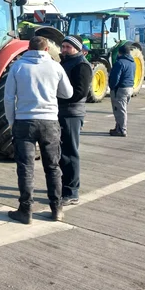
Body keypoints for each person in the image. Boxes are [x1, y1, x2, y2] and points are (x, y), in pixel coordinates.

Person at [4, 36, 73, 224]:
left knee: (26, 168)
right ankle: (56, 209)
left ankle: (25, 211)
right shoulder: (55, 67)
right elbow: (68, 93)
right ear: (46, 49)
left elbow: (9, 98)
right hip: (50, 122)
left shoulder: (18, 67)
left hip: (24, 121)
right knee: (52, 167)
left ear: (28, 48)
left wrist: (12, 122)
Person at [58, 35, 93, 206]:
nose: (64, 49)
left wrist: (56, 98)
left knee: (70, 153)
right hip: (61, 112)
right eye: (63, 46)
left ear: (77, 48)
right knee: (61, 153)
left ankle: (72, 192)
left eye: (68, 47)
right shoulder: (65, 62)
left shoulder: (82, 65)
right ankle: (65, 185)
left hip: (72, 113)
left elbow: (80, 92)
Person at [109, 43, 136, 137]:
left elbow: (115, 77)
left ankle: (121, 130)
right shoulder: (132, 62)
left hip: (120, 89)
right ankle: (118, 127)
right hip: (129, 88)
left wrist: (112, 87)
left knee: (120, 110)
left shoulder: (119, 63)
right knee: (122, 109)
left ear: (120, 53)